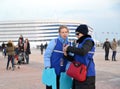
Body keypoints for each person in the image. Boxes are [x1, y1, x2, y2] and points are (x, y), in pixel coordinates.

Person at [63, 24, 96, 89]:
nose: (76, 36)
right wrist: (66, 55)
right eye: (76, 34)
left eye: (78, 34)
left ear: (83, 33)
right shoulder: (80, 43)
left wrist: (69, 48)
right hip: (78, 73)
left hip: (87, 74)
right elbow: (75, 59)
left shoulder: (89, 41)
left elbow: (83, 52)